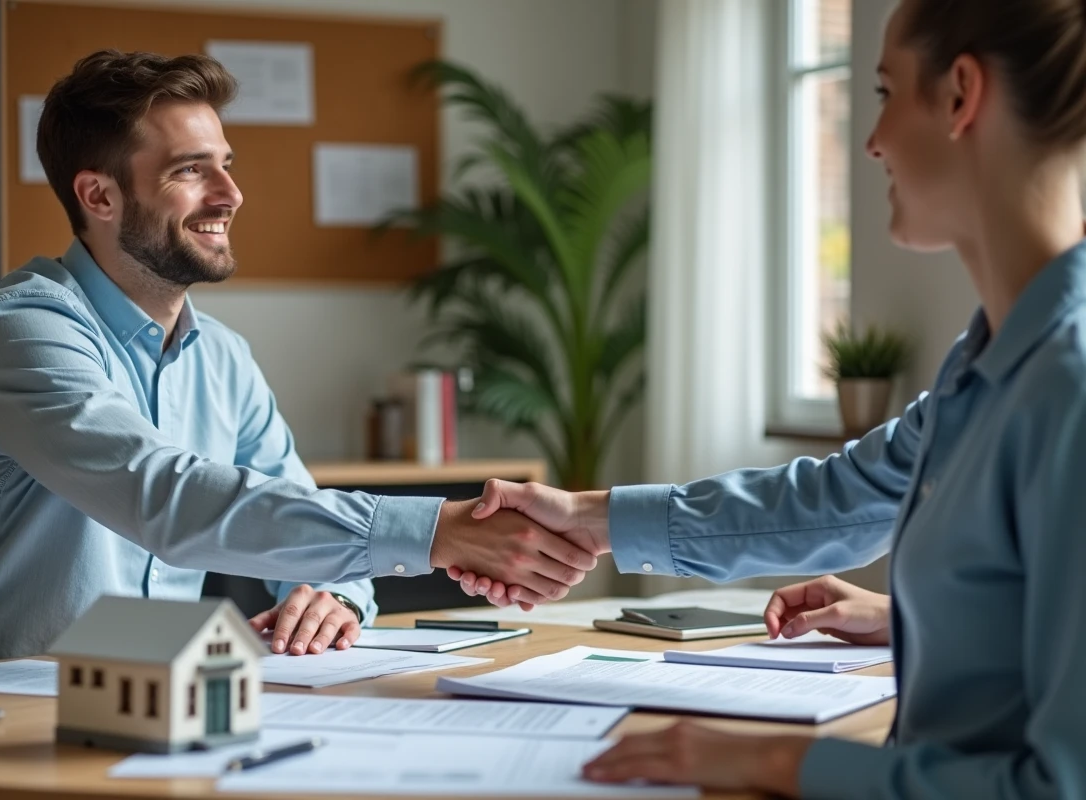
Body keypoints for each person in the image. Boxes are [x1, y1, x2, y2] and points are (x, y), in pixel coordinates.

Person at [451, 0, 1086, 795]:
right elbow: (842, 498)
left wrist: (774, 761)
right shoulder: (989, 359)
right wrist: (590, 517)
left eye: (886, 93)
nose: (872, 141)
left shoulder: (1069, 386)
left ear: (961, 95)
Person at [0, 50, 597, 674]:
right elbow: (166, 498)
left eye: (225, 165)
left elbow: (294, 508)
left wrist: (332, 593)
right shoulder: (23, 330)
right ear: (98, 195)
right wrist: (438, 532)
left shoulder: (224, 358)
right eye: (190, 171)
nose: (230, 195)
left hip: (155, 703)